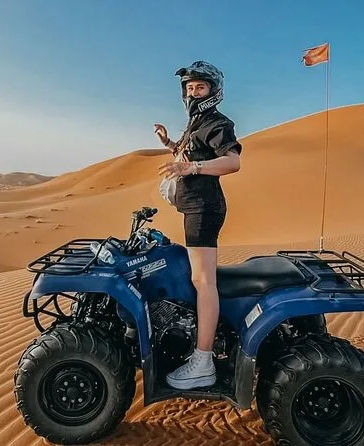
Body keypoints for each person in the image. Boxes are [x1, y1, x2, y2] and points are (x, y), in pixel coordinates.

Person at [155, 61, 242, 390]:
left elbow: (233, 161)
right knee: (196, 277)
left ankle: (203, 362)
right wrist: (168, 143)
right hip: (193, 209)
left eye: (200, 87)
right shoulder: (196, 124)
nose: (193, 93)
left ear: (213, 91)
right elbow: (188, 152)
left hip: (205, 208)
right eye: (190, 88)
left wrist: (192, 168)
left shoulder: (217, 123)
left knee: (204, 281)